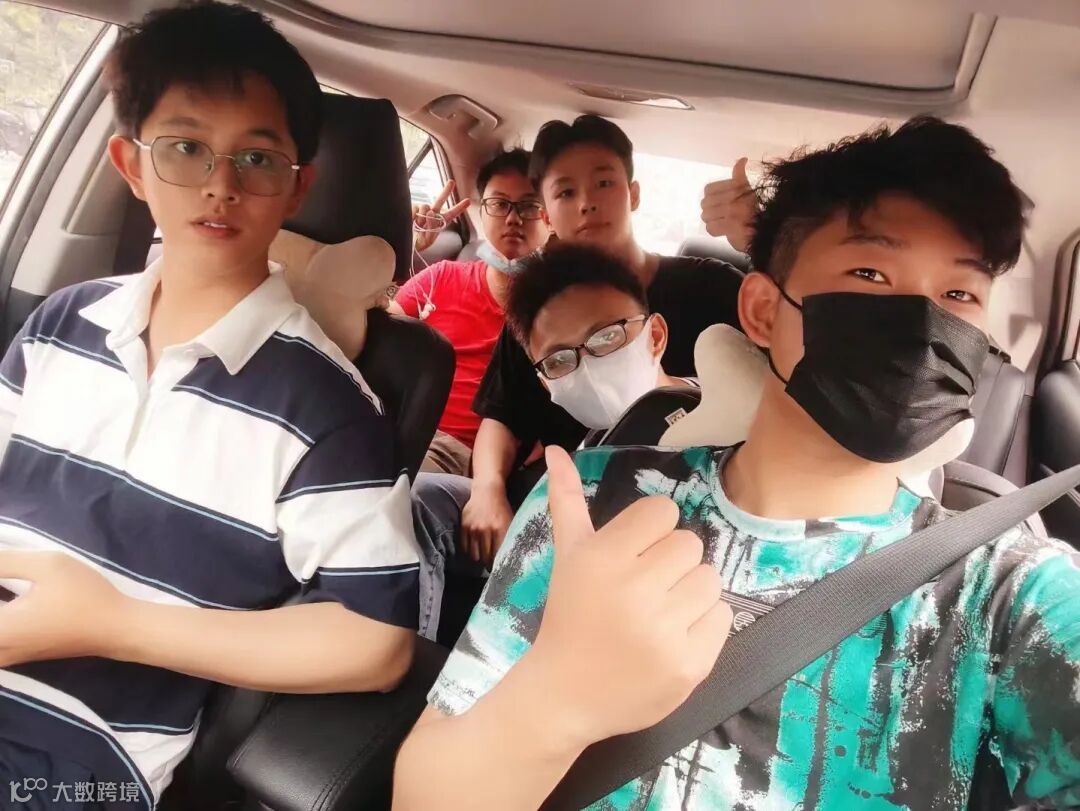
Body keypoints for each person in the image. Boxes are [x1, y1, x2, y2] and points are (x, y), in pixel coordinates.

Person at [393, 117, 1080, 810]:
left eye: (960, 295)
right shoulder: (591, 502)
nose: (922, 322)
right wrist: (556, 699)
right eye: (870, 273)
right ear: (762, 311)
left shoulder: (1010, 590)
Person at [0, 3, 421, 803]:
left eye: (257, 158)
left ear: (297, 187)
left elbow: (376, 642)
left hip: (80, 760)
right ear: (131, 166)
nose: (221, 185)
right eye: (186, 148)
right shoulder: (59, 324)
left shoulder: (328, 408)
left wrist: (112, 625)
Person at [439, 115, 745, 572]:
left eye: (603, 183)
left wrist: (760, 237)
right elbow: (502, 414)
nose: (587, 204)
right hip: (566, 502)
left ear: (633, 193)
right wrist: (487, 490)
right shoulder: (540, 314)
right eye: (566, 192)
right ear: (546, 213)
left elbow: (794, 360)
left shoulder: (710, 288)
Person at [390, 149, 548, 476]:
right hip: (395, 422)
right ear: (480, 211)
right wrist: (398, 247)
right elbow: (372, 328)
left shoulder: (560, 308)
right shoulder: (441, 278)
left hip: (461, 455)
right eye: (499, 204)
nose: (513, 218)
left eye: (529, 206)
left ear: (551, 217)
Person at [505, 242, 697, 435]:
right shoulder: (589, 452)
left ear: (655, 335)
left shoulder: (715, 404)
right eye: (559, 360)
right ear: (546, 384)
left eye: (607, 336)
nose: (588, 366)